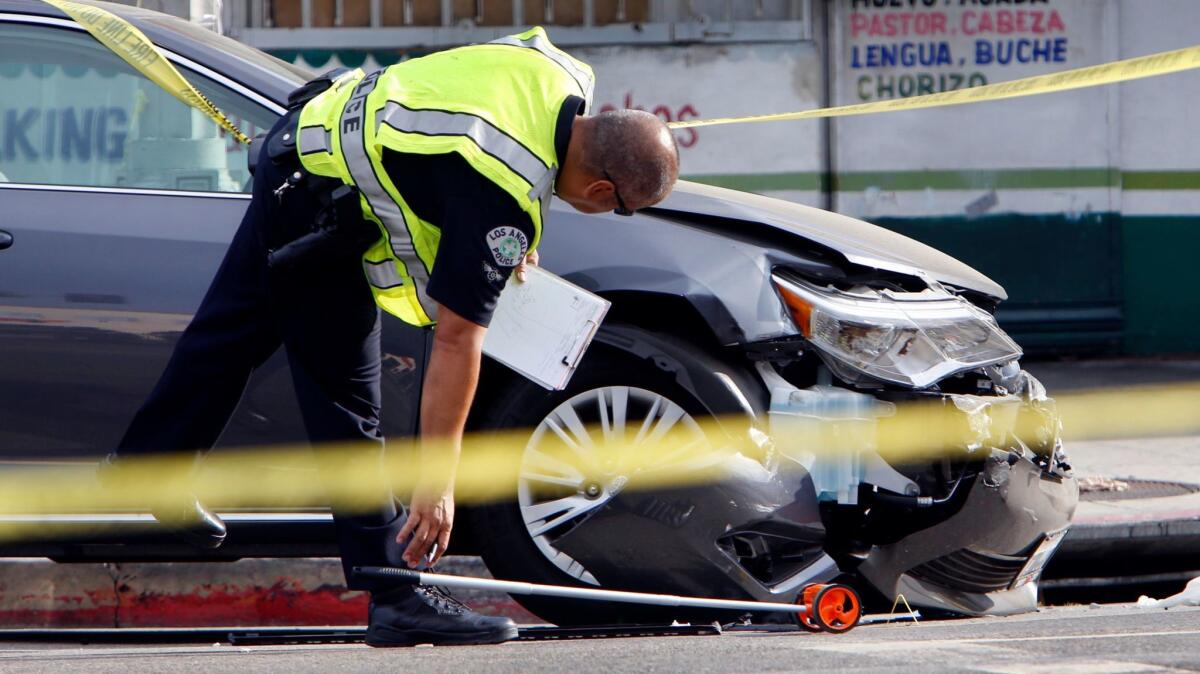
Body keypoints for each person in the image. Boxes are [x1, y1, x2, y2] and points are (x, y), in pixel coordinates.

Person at [100, 28, 680, 647]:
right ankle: (395, 593)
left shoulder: (557, 69)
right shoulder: (501, 192)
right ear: (599, 190)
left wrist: (501, 223)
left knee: (235, 329)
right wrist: (438, 485)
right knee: (346, 398)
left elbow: (462, 108)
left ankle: (147, 467)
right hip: (319, 198)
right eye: (617, 207)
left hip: (305, 141)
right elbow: (457, 342)